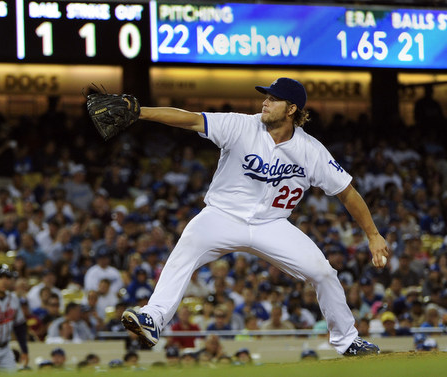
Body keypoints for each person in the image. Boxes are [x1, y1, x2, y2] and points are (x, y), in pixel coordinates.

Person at [120, 78, 386, 356]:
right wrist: (141, 112)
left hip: (272, 224)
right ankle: (153, 317)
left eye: (273, 99)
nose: (265, 102)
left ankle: (347, 340)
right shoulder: (241, 125)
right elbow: (190, 119)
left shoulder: (311, 150)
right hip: (221, 216)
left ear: (292, 108)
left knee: (323, 273)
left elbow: (347, 192)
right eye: (266, 97)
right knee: (184, 251)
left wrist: (373, 234)